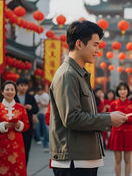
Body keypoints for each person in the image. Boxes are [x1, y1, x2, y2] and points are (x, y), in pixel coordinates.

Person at [49, 20, 127, 176]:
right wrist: (108, 119)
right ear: (79, 44)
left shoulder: (79, 74)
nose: (98, 50)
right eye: (95, 45)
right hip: (73, 160)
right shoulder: (68, 75)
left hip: (82, 158)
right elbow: (71, 118)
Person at [0, 80, 30, 176]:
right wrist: (3, 126)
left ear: (15, 92)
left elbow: (27, 125)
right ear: (2, 92)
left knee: (17, 169)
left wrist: (19, 125)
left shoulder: (21, 108)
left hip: (17, 145)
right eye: (7, 89)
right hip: (1, 145)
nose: (9, 92)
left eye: (12, 90)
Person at [107, 83, 132, 176]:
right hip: (116, 133)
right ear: (118, 91)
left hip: (128, 133)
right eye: (120, 89)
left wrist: (126, 118)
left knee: (127, 160)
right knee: (117, 160)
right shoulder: (113, 104)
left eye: (124, 89)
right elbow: (109, 118)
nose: (122, 91)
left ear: (128, 91)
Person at [13, 77, 39, 164]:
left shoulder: (30, 97)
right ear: (17, 86)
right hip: (14, 128)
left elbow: (36, 109)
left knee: (26, 149)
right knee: (15, 150)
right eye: (21, 85)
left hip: (27, 127)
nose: (23, 87)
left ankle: (24, 168)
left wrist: (31, 108)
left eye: (25, 85)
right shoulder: (13, 97)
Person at [34, 85, 50, 152]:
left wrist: (42, 104)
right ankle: (38, 139)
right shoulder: (36, 96)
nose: (38, 92)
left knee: (45, 127)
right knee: (37, 127)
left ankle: (46, 142)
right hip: (37, 113)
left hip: (44, 112)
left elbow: (48, 104)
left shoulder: (46, 95)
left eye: (39, 91)